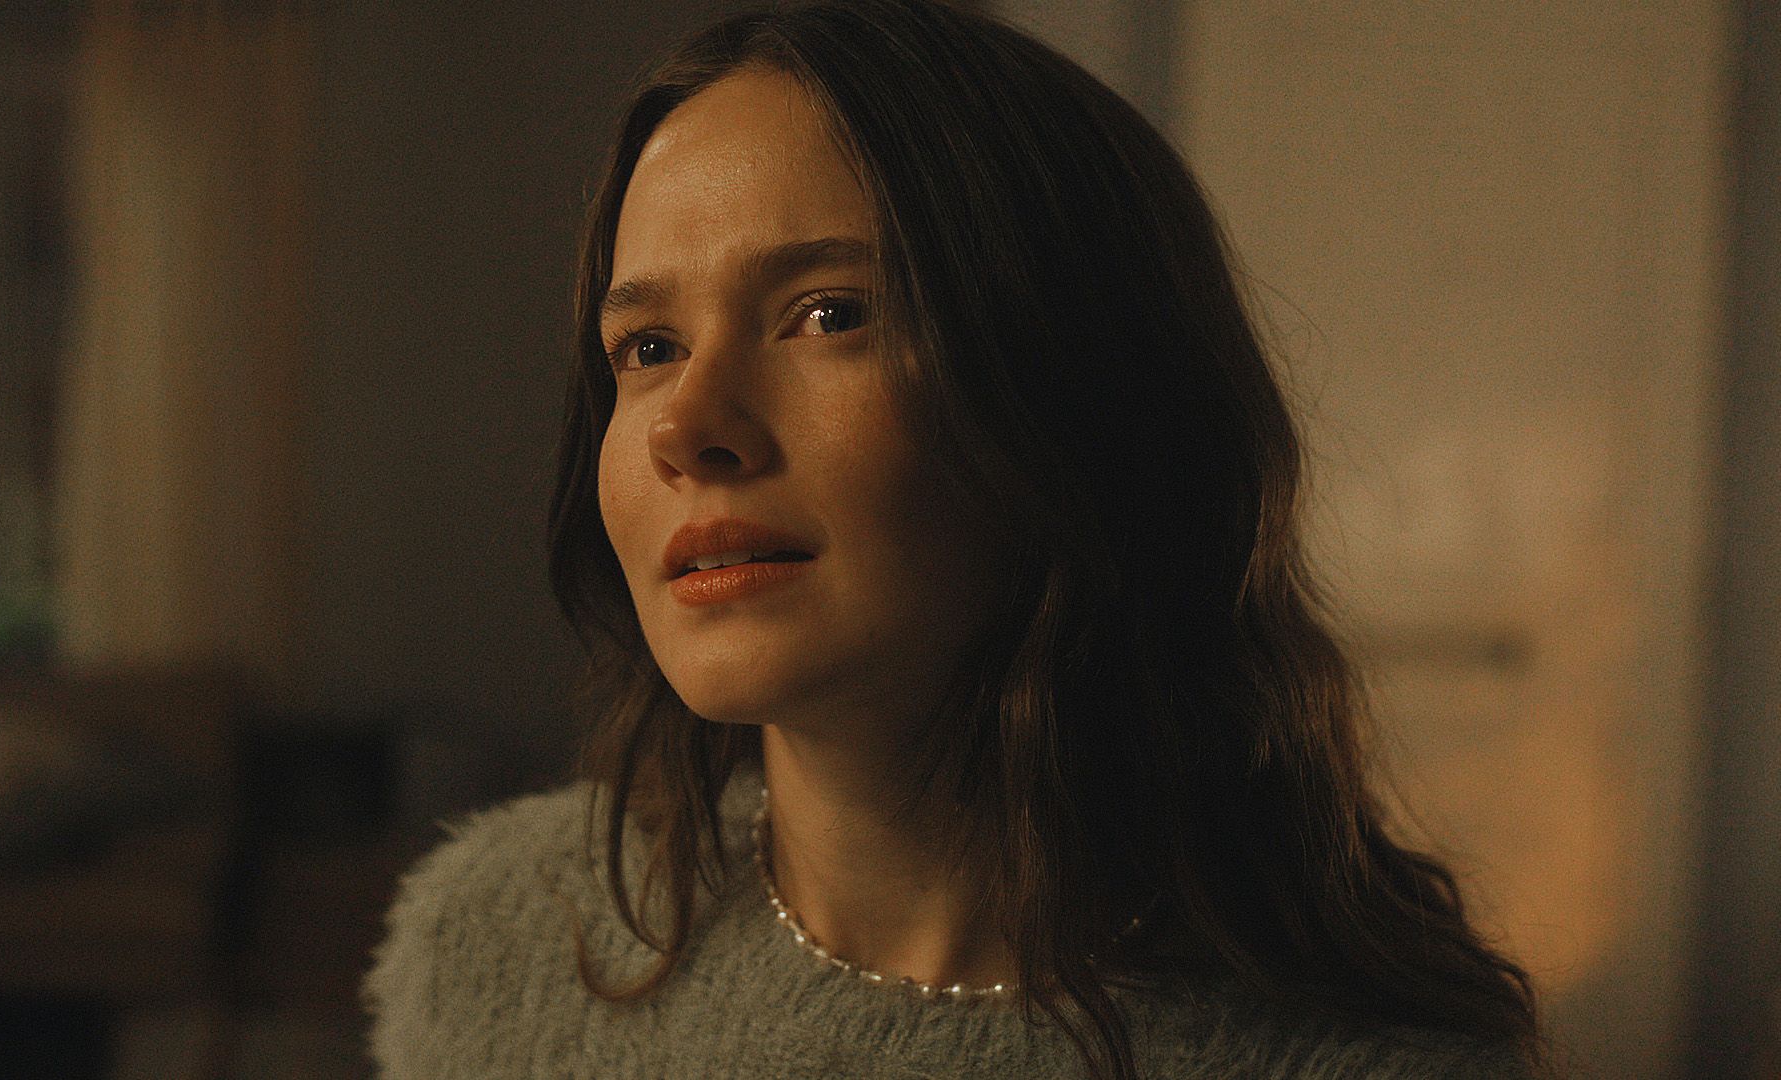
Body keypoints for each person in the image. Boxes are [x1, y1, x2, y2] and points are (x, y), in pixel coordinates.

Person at [362, 2, 1550, 1077]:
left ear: (1079, 396)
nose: (686, 425)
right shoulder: (499, 944)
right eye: (650, 348)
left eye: (829, 313)